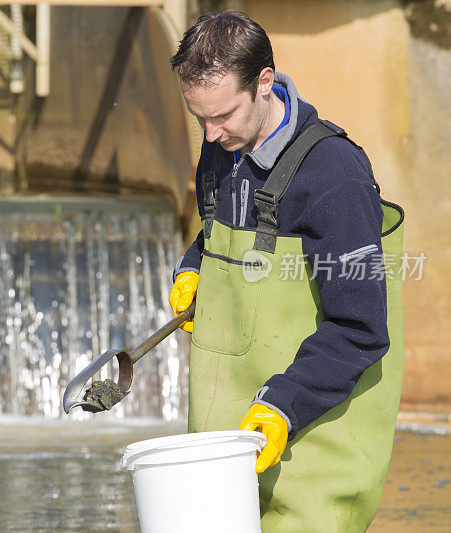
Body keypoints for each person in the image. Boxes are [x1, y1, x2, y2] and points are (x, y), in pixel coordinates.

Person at [167, 10, 404, 532]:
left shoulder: (335, 178)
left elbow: (362, 329)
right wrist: (193, 269)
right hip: (226, 444)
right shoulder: (221, 148)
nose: (209, 134)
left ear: (265, 83)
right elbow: (215, 236)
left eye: (223, 115)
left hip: (310, 450)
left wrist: (282, 407)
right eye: (198, 117)